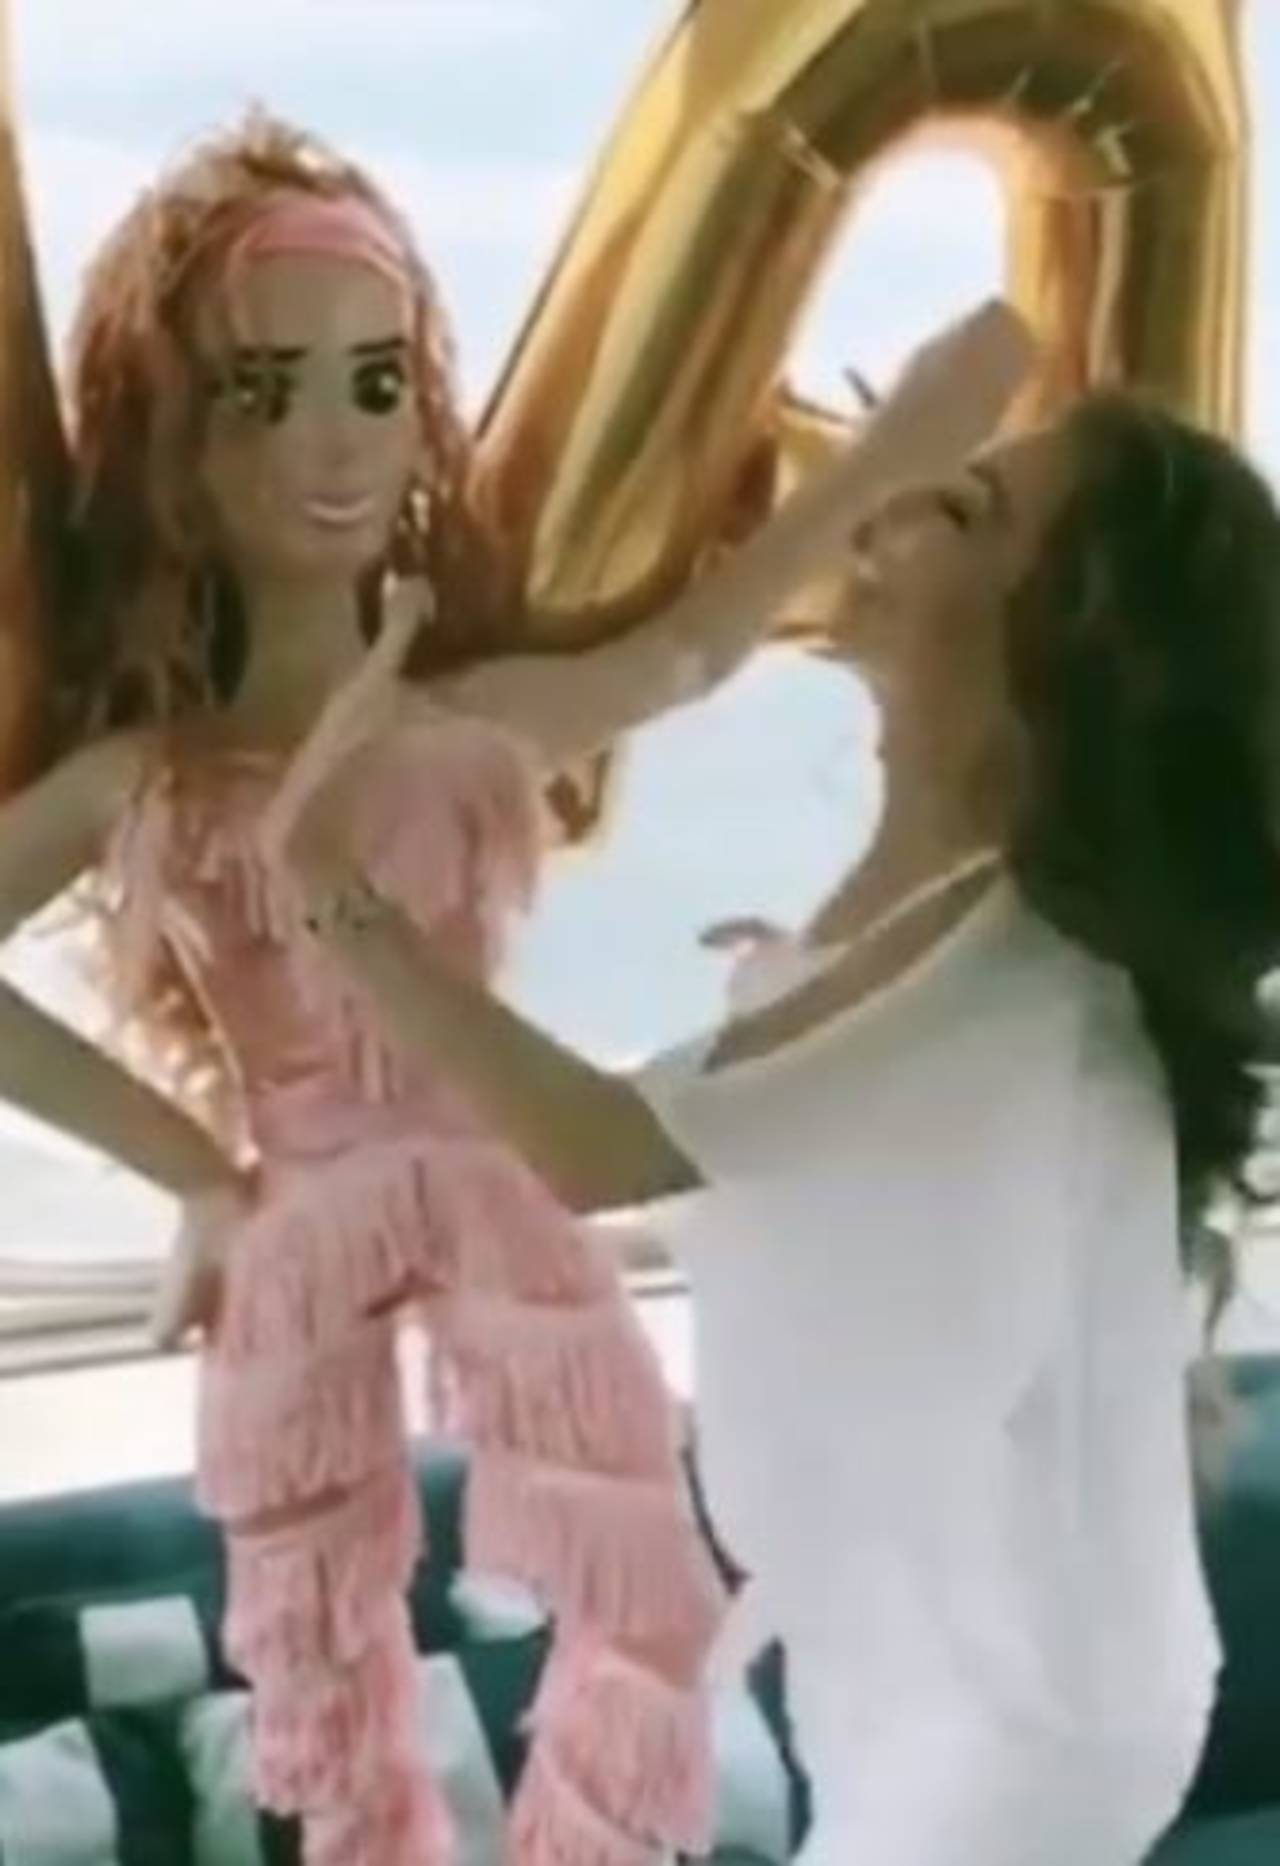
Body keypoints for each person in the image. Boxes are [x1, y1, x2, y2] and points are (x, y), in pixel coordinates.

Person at [0, 113, 1029, 1865]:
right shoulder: (154, 782)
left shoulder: (465, 724)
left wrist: (889, 456)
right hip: (300, 1209)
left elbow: (692, 650)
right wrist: (191, 1172)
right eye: (262, 395)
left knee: (646, 1602)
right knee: (320, 1662)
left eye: (374, 381)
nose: (335, 441)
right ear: (176, 448)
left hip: (496, 1177)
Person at [274, 387, 1280, 1864]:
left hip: (1016, 1713)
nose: (900, 505)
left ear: (1059, 642)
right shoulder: (967, 939)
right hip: (967, 1679)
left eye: (966, 509)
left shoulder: (1009, 953)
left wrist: (329, 891)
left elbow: (599, 1145)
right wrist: (785, 989)